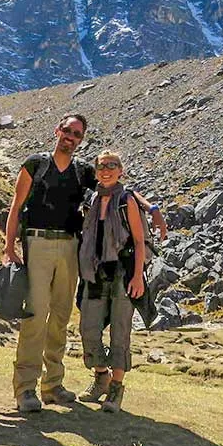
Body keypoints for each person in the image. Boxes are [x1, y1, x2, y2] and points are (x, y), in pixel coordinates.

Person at [3, 114, 166, 413]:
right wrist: (8, 245)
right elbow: (16, 205)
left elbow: (118, 188)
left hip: (71, 247)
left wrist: (151, 207)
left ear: (81, 139)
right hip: (37, 243)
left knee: (61, 318)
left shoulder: (82, 171)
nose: (70, 136)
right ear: (57, 131)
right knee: (35, 315)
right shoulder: (34, 164)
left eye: (77, 134)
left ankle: (53, 385)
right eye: (67, 130)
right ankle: (26, 388)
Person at [77, 151, 145, 413]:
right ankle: (100, 376)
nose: (106, 170)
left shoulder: (126, 200)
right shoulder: (91, 200)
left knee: (120, 329)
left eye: (112, 166)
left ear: (121, 171)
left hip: (123, 272)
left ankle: (116, 388)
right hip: (94, 270)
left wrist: (138, 276)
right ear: (95, 172)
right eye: (101, 166)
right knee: (89, 327)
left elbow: (139, 242)